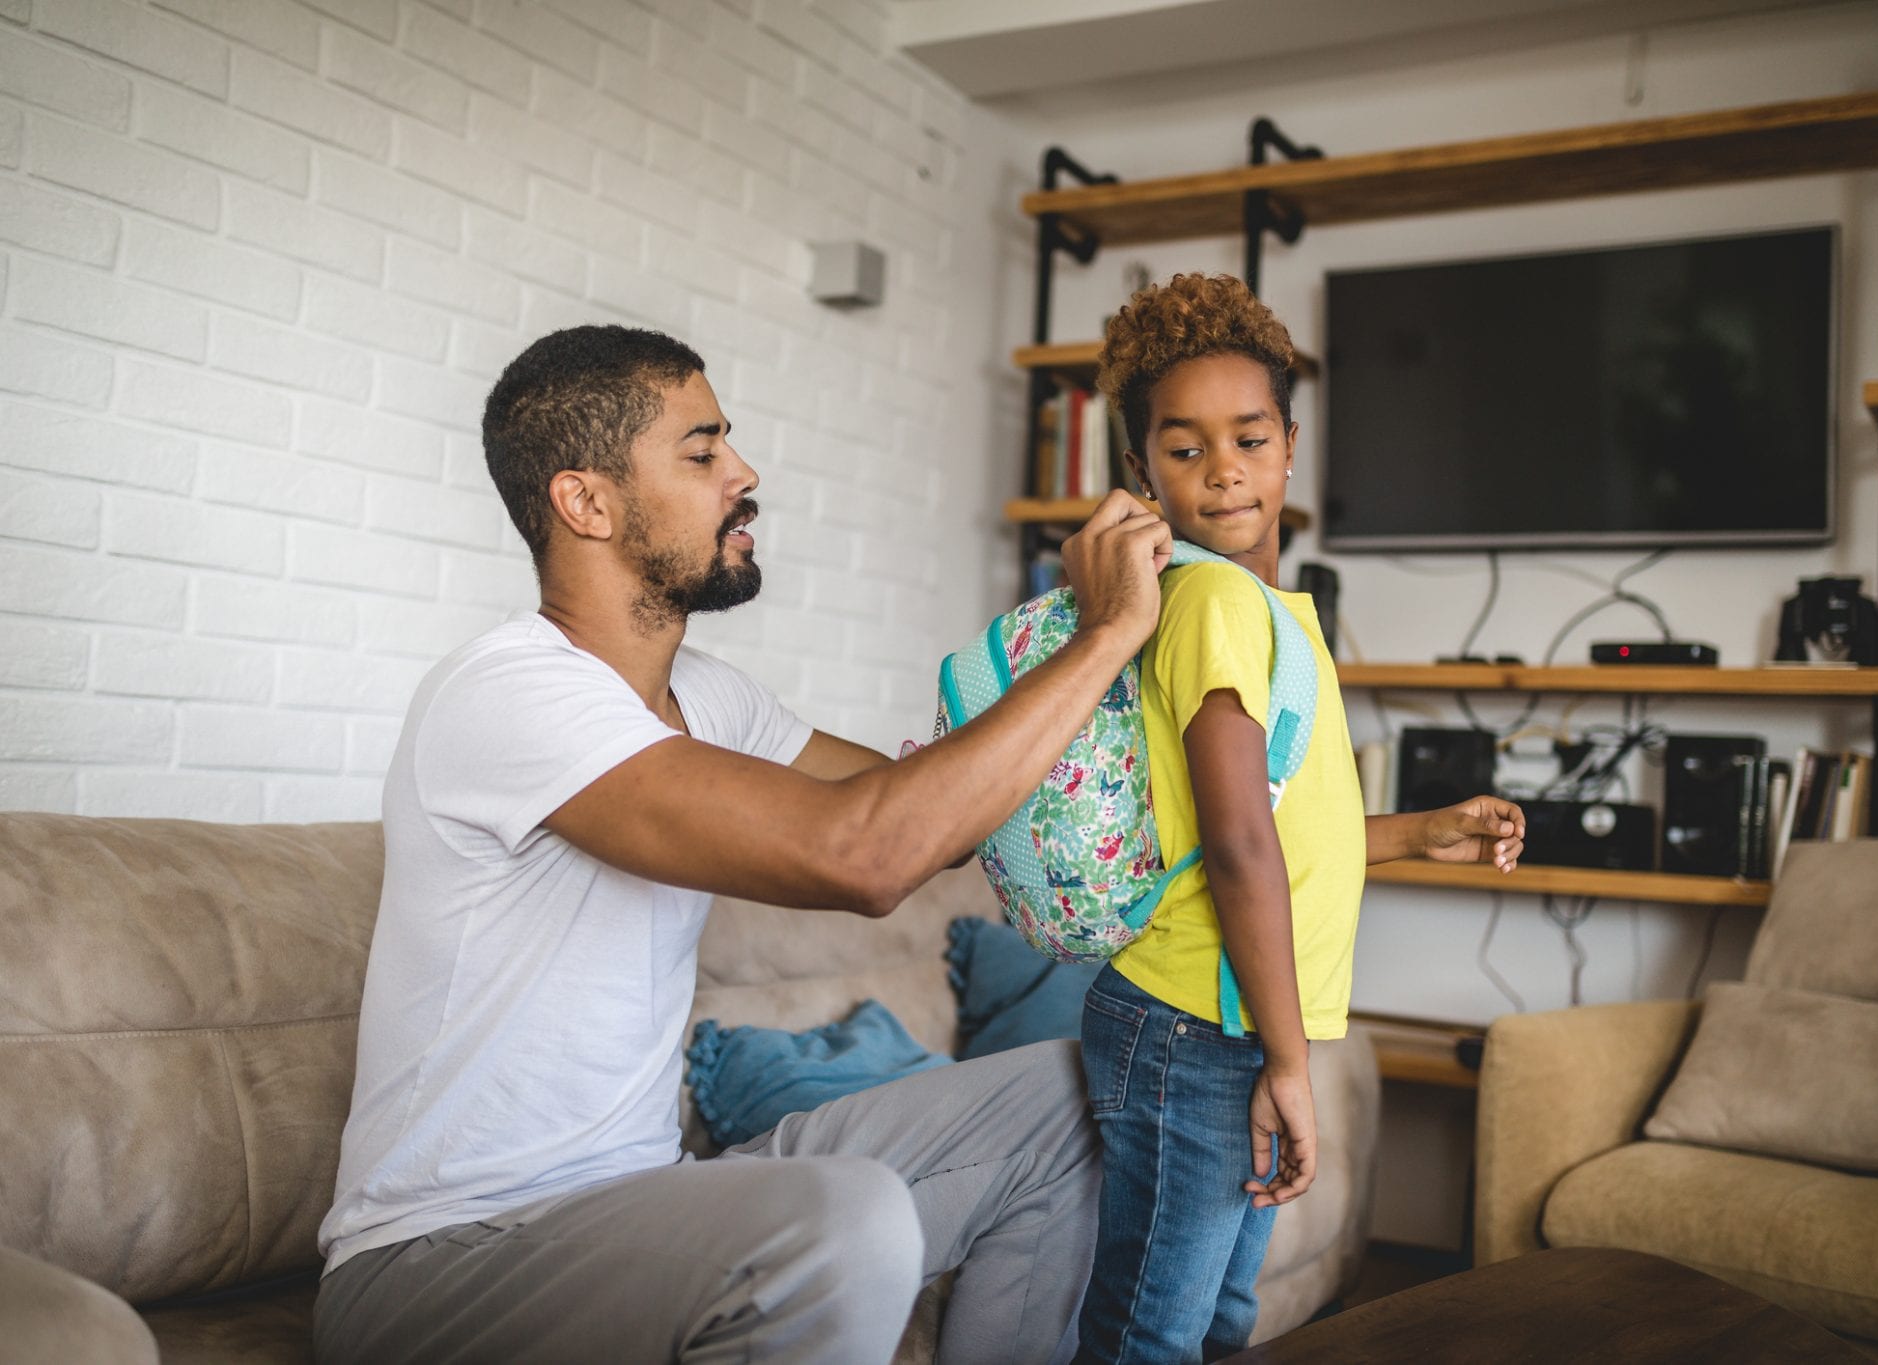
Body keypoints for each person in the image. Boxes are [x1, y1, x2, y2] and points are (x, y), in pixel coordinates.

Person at [312, 324, 1173, 1365]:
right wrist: (1105, 635)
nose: (744, 473)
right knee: (840, 1220)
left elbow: (936, 828)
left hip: (641, 1203)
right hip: (437, 1263)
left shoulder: (711, 698)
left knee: (1081, 1096)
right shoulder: (509, 692)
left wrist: (1082, 652)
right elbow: (868, 855)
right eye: (702, 450)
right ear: (585, 503)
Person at [1074, 274, 1526, 1363]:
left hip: (1223, 1021)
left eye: (1247, 438)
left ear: (1288, 443)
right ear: (1140, 469)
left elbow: (1270, 828)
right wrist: (1288, 1062)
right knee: (1152, 1333)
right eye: (1184, 448)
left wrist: (1418, 832)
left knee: (1220, 1320)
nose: (1222, 468)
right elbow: (1238, 850)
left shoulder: (1269, 609)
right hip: (1195, 1023)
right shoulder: (1214, 602)